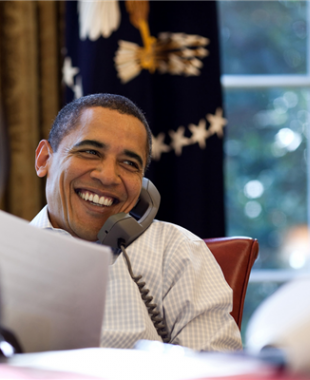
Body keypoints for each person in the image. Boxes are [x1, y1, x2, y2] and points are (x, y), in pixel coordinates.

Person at [31, 93, 242, 351]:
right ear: (44, 160)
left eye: (129, 163)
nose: (108, 176)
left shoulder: (177, 251)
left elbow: (215, 370)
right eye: (90, 151)